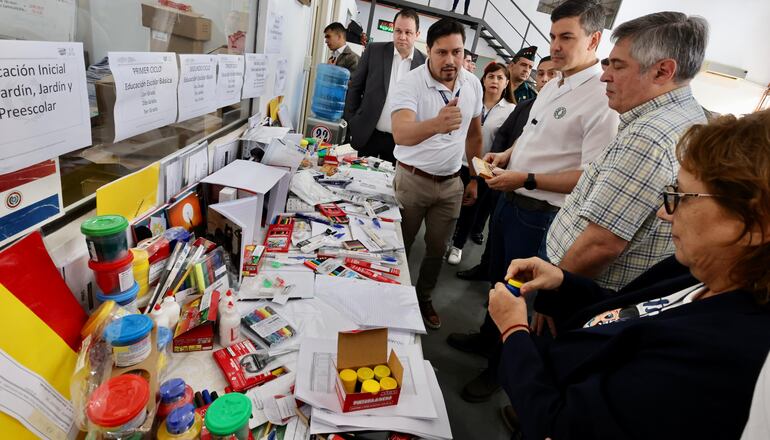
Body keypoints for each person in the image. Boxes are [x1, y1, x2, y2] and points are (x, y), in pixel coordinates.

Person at [489, 109, 770, 439]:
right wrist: (563, 281)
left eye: (682, 197)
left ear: (753, 224)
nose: (664, 213)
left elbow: (564, 426)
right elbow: (629, 312)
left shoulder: (720, 356)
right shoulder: (698, 272)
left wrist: (513, 331)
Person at [448, 0, 619, 403]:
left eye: (567, 37)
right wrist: (507, 157)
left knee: (518, 297)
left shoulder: (601, 100)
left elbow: (588, 176)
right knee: (497, 283)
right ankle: (486, 340)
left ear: (594, 39)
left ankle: (500, 371)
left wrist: (525, 176)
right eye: (553, 36)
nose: (555, 46)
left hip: (541, 215)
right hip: (511, 202)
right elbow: (533, 136)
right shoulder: (555, 83)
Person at [537, 12, 709, 333]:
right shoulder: (686, 116)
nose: (605, 76)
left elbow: (601, 243)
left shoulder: (650, 136)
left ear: (662, 70)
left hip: (580, 290)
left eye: (618, 66)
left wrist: (553, 295)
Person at [390, 18, 484, 329]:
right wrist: (436, 124)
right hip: (411, 180)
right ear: (427, 50)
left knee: (436, 249)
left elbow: (474, 134)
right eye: (442, 53)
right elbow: (401, 133)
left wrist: (474, 177)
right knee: (398, 246)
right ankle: (391, 299)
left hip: (450, 184)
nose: (450, 61)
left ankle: (423, 297)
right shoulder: (410, 84)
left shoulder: (472, 84)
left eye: (457, 52)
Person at [456, 56, 558, 279]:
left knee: (518, 261)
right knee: (495, 233)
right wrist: (500, 159)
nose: (545, 79)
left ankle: (501, 289)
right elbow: (507, 136)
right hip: (500, 180)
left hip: (532, 198)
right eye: (540, 74)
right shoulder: (526, 106)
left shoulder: (558, 112)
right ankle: (487, 270)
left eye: (552, 74)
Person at [448, 62, 515, 265]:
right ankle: (445, 240)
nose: (494, 81)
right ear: (483, 79)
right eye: (491, 76)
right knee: (450, 205)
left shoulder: (511, 110)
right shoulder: (469, 101)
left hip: (484, 168)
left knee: (472, 208)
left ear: (507, 83)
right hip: (459, 161)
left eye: (500, 78)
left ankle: (457, 246)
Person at [344, 9, 425, 163]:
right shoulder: (374, 50)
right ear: (393, 29)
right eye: (398, 31)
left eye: (408, 32)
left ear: (417, 34)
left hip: (401, 143)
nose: (402, 37)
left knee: (392, 186)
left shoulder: (424, 63)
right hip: (368, 134)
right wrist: (352, 120)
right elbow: (355, 87)